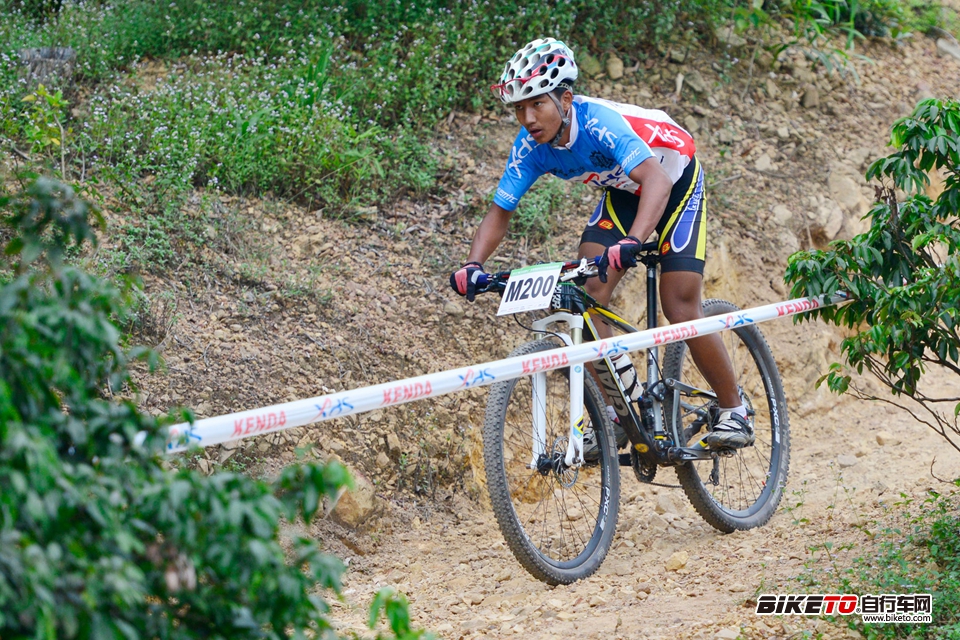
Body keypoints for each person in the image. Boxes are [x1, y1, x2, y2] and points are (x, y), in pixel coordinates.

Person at [450, 37, 753, 450]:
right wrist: (473, 264)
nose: (527, 117)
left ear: (566, 99)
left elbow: (658, 181)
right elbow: (500, 212)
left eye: (536, 103)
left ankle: (735, 410)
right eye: (519, 108)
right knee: (583, 295)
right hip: (626, 191)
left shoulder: (598, 122)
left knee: (680, 304)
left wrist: (633, 240)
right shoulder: (531, 147)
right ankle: (620, 408)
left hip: (673, 178)